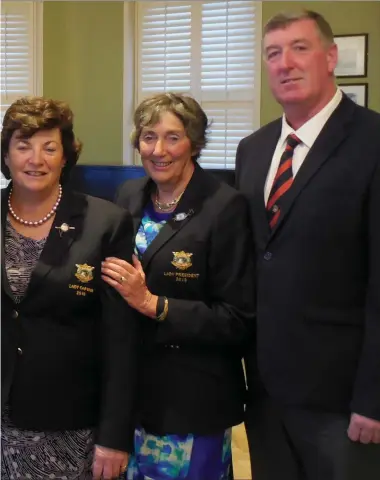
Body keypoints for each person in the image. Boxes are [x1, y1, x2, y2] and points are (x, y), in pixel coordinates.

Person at [235, 9, 380, 480]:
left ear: (331, 57)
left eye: (300, 48)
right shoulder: (253, 150)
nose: (285, 63)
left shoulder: (373, 141)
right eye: (273, 53)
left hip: (343, 401)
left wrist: (374, 398)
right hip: (265, 392)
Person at [101, 92, 255, 480]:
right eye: (148, 136)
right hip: (132, 394)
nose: (158, 150)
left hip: (192, 400)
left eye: (173, 137)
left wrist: (153, 303)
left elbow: (237, 319)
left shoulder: (225, 207)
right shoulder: (128, 196)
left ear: (195, 142)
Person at [1, 96, 139, 480]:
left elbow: (121, 338)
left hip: (69, 422)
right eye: (23, 146)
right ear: (7, 155)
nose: (35, 159)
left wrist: (114, 435)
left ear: (66, 156)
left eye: (49, 147)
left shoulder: (106, 222)